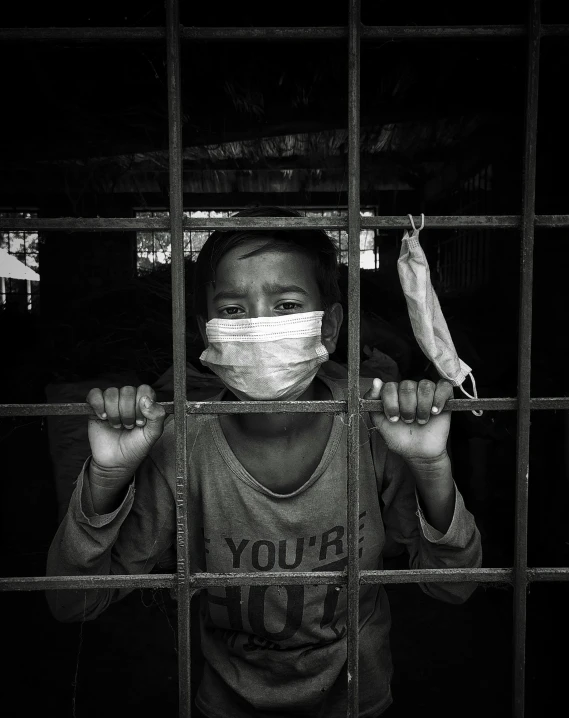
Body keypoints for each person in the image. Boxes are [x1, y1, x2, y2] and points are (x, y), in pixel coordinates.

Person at [47, 207, 482, 718]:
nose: (258, 327)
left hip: (358, 702)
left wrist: (430, 465)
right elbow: (71, 602)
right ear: (205, 331)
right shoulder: (181, 443)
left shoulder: (373, 423)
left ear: (331, 326)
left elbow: (456, 584)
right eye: (232, 310)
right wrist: (107, 477)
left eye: (287, 304)